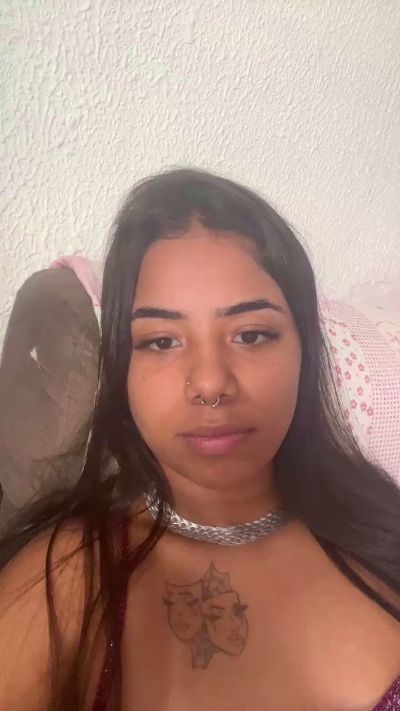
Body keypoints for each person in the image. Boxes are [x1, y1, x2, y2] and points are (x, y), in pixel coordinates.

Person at [0, 168, 399, 711]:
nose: (210, 383)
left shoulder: (378, 526)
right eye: (162, 341)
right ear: (122, 368)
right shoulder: (67, 579)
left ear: (305, 353)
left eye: (251, 334)